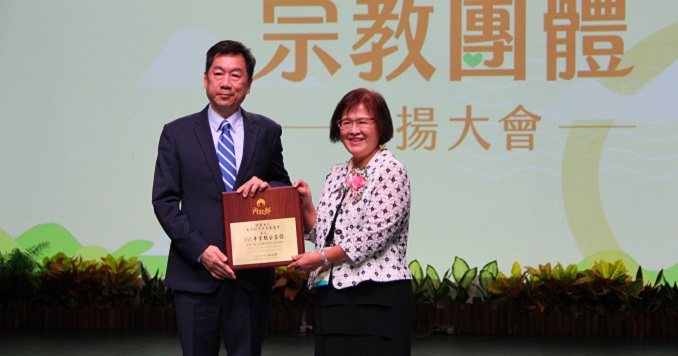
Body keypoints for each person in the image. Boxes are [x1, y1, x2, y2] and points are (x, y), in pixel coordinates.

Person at [152, 40, 291, 356]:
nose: (226, 83)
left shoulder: (268, 131)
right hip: (195, 275)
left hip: (251, 277)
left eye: (236, 75)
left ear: (249, 84)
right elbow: (164, 201)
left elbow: (281, 185)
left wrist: (267, 187)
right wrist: (201, 251)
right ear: (205, 80)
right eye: (218, 74)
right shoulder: (177, 133)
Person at [289, 88, 413, 355]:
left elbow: (371, 238)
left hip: (376, 296)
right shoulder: (336, 173)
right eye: (346, 122)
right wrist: (306, 204)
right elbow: (322, 232)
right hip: (334, 295)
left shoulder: (391, 169)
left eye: (363, 122)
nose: (353, 130)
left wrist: (320, 258)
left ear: (381, 125)